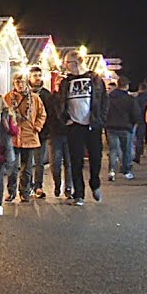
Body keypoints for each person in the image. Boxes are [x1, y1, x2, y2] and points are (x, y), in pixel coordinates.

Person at [57, 50, 109, 205]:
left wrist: (100, 120)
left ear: (76, 62)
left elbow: (104, 101)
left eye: (67, 63)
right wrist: (65, 118)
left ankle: (95, 183)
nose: (65, 66)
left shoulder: (94, 79)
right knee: (76, 160)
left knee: (95, 158)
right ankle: (78, 193)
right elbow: (60, 103)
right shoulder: (66, 82)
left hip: (92, 124)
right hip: (75, 125)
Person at [5, 73, 47, 202]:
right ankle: (11, 192)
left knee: (27, 168)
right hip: (13, 137)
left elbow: (42, 114)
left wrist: (37, 127)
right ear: (14, 84)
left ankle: (24, 192)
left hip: (29, 136)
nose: (20, 85)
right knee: (12, 167)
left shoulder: (34, 98)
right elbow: (3, 114)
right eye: (18, 82)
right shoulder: (8, 98)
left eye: (22, 82)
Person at [28, 66, 57, 199]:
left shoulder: (46, 95)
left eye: (39, 75)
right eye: (35, 75)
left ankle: (38, 186)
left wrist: (47, 131)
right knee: (26, 162)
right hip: (26, 134)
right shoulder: (24, 93)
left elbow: (50, 115)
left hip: (41, 134)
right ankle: (26, 187)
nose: (37, 77)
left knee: (39, 162)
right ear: (29, 77)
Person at [105, 76, 141, 180]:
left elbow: (104, 110)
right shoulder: (130, 99)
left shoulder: (109, 97)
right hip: (125, 127)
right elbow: (135, 113)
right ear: (126, 86)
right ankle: (126, 171)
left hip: (111, 126)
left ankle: (112, 171)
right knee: (126, 150)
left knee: (113, 149)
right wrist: (134, 123)